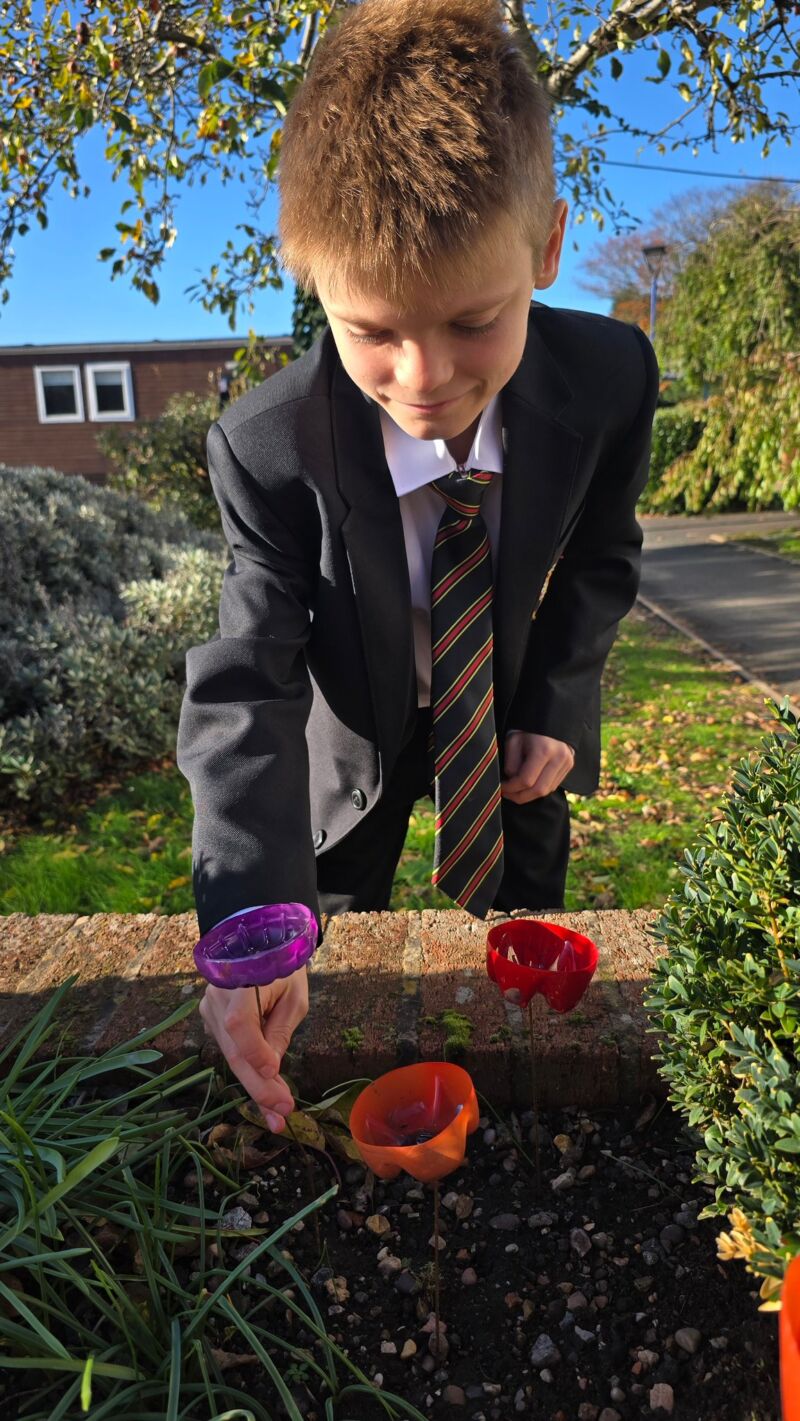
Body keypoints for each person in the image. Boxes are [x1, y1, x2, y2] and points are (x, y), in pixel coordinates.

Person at [176, 0, 660, 1133]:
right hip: (351, 747)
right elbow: (247, 675)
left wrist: (553, 700)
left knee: (523, 953)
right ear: (314, 284)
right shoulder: (267, 443)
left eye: (474, 320)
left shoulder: (606, 380)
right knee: (338, 939)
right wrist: (251, 925)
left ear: (544, 245)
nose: (422, 377)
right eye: (371, 330)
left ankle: (510, 1114)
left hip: (512, 732)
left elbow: (602, 551)